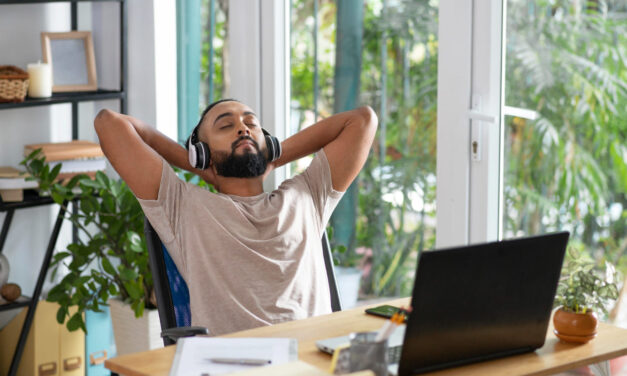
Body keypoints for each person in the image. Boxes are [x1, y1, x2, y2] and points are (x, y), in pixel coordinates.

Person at [94, 99, 377, 335]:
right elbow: (109, 123)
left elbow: (362, 120)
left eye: (251, 124)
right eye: (226, 126)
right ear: (202, 152)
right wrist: (196, 165)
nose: (242, 128)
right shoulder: (183, 206)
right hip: (236, 365)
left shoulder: (307, 195)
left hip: (313, 362)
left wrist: (271, 154)